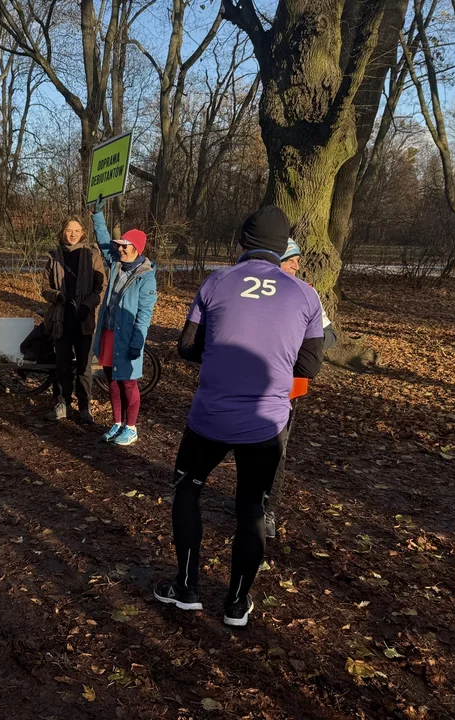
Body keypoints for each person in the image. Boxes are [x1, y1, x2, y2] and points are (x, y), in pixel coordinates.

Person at [154, 207, 324, 628]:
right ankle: (235, 602)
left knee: (188, 491)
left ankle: (188, 587)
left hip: (210, 416)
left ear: (242, 242)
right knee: (251, 508)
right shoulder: (306, 294)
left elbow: (187, 347)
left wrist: (220, 352)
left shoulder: (216, 281)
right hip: (265, 423)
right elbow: (311, 366)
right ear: (285, 247)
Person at [221, 237, 337, 537]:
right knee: (245, 445)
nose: (297, 265)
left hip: (286, 388)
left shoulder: (306, 293)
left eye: (297, 259)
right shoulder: (245, 289)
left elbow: (330, 334)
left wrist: (296, 344)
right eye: (290, 259)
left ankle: (268, 510)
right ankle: (246, 500)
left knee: (276, 450)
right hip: (246, 383)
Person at [92, 203, 157, 445]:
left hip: (128, 337)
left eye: (124, 245)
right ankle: (117, 423)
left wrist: (137, 342)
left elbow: (144, 313)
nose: (119, 248)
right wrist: (97, 215)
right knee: (112, 380)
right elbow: (104, 242)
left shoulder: (146, 276)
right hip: (109, 333)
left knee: (128, 383)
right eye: (119, 245)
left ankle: (131, 427)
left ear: (136, 249)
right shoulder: (117, 263)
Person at [41, 210, 107, 423]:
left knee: (84, 368)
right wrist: (57, 295)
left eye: (77, 231)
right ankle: (63, 403)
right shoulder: (53, 256)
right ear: (63, 232)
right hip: (61, 318)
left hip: (84, 319)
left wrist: (87, 306)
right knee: (62, 365)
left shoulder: (92, 255)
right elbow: (44, 288)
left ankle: (84, 407)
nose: (72, 234)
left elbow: (101, 287)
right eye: (69, 230)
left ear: (83, 232)